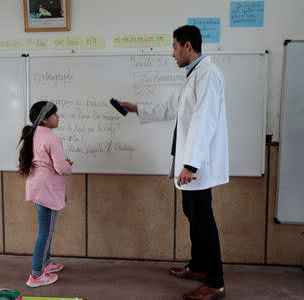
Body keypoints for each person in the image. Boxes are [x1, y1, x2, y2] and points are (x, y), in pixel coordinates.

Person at [120, 25, 229, 300]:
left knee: (203, 220)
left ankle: (215, 284)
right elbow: (170, 109)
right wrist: (136, 108)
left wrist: (191, 165)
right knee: (193, 216)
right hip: (191, 164)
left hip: (197, 167)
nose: (172, 53)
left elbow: (205, 121)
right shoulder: (193, 76)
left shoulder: (208, 74)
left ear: (187, 46)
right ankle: (199, 267)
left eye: (174, 47)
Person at [18, 101, 73, 288]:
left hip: (38, 187)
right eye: (55, 114)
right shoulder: (52, 139)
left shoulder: (33, 135)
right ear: (46, 119)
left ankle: (46, 263)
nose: (58, 117)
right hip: (46, 189)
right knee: (45, 232)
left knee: (46, 230)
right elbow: (61, 168)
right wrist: (68, 165)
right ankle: (36, 274)